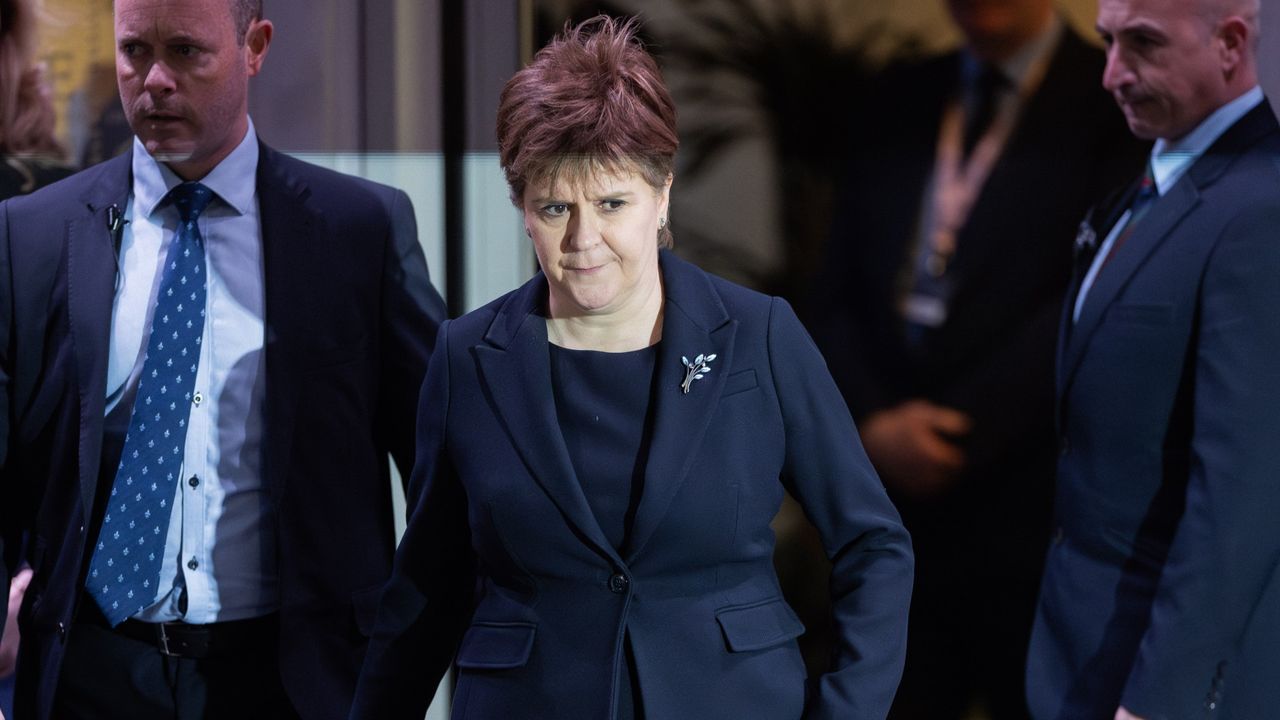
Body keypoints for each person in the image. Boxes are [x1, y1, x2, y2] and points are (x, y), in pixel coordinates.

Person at [351, 16, 912, 720]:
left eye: (612, 203)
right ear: (522, 209)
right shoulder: (468, 358)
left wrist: (848, 710)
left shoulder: (761, 337)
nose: (584, 239)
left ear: (662, 195)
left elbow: (873, 545)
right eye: (555, 206)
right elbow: (428, 588)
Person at [0, 0, 447, 718]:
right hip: (90, 671)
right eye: (134, 51)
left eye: (185, 52)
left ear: (256, 46)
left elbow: (442, 468)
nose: (154, 81)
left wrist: (404, 653)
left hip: (293, 678)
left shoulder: (358, 232)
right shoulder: (33, 237)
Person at [805, 1, 1148, 717]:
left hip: (1028, 503)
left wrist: (959, 431)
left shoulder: (1114, 96)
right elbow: (835, 283)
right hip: (889, 505)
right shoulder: (898, 93)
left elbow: (1093, 295)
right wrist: (870, 424)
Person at [1025, 0, 1280, 717]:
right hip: (1080, 652)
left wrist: (1159, 698)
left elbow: (1242, 496)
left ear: (1230, 42)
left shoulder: (1263, 211)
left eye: (1143, 44)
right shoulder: (1150, 187)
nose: (1112, 74)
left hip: (1161, 681)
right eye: (1107, 42)